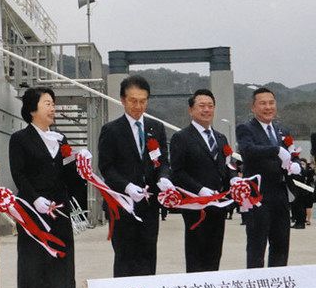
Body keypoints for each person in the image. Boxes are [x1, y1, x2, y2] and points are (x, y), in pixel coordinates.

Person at [8, 87, 76, 288]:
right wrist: (34, 198)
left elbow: (70, 177)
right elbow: (19, 173)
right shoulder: (20, 139)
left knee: (62, 259)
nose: (52, 108)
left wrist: (78, 163)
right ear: (32, 109)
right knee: (34, 261)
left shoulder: (60, 139)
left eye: (53, 103)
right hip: (33, 209)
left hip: (59, 208)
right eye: (47, 103)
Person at [97, 75, 169, 277]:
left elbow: (163, 160)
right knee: (125, 257)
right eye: (133, 101)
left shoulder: (156, 128)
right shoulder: (111, 130)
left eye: (143, 101)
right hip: (122, 206)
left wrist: (164, 177)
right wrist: (127, 186)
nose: (138, 106)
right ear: (122, 100)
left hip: (149, 206)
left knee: (148, 256)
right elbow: (107, 167)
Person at [167, 89, 232, 272]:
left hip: (218, 206)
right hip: (195, 207)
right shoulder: (181, 138)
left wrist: (234, 182)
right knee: (197, 254)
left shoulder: (220, 138)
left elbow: (226, 167)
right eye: (201, 106)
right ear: (191, 110)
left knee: (214, 253)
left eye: (210, 106)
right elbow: (177, 172)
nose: (206, 110)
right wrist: (200, 189)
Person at [236, 87, 298, 267]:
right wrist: (277, 150)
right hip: (258, 198)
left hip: (281, 195)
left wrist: (295, 165)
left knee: (280, 247)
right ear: (253, 107)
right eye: (262, 103)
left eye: (271, 103)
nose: (268, 107)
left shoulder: (282, 130)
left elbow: (291, 155)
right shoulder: (245, 129)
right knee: (257, 248)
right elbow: (248, 151)